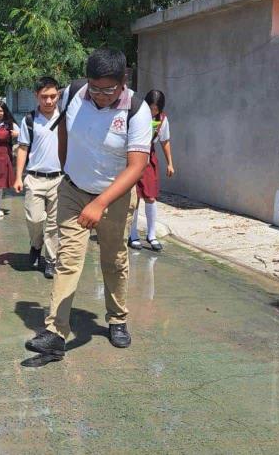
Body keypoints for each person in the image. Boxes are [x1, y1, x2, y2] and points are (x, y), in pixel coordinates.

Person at [25, 48, 152, 363]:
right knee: (67, 261)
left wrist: (101, 202)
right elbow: (65, 130)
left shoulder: (137, 110)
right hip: (73, 191)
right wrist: (68, 168)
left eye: (108, 90)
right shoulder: (74, 93)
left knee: (114, 260)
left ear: (123, 81)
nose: (100, 95)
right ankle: (56, 333)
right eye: (95, 88)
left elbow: (137, 166)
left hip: (115, 197)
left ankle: (117, 318)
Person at [13, 77, 62, 279]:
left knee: (54, 224)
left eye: (53, 96)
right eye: (44, 97)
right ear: (37, 96)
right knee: (34, 218)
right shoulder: (30, 120)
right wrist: (18, 177)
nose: (49, 101)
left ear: (58, 95)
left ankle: (51, 260)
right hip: (34, 178)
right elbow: (23, 148)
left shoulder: (65, 118)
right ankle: (36, 244)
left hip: (59, 179)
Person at [129, 89, 175, 252]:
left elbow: (165, 141)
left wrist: (170, 163)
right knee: (134, 198)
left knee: (150, 196)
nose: (153, 111)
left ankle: (151, 235)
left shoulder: (162, 120)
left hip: (149, 160)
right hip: (133, 158)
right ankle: (132, 234)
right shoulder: (136, 114)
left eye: (156, 109)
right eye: (150, 107)